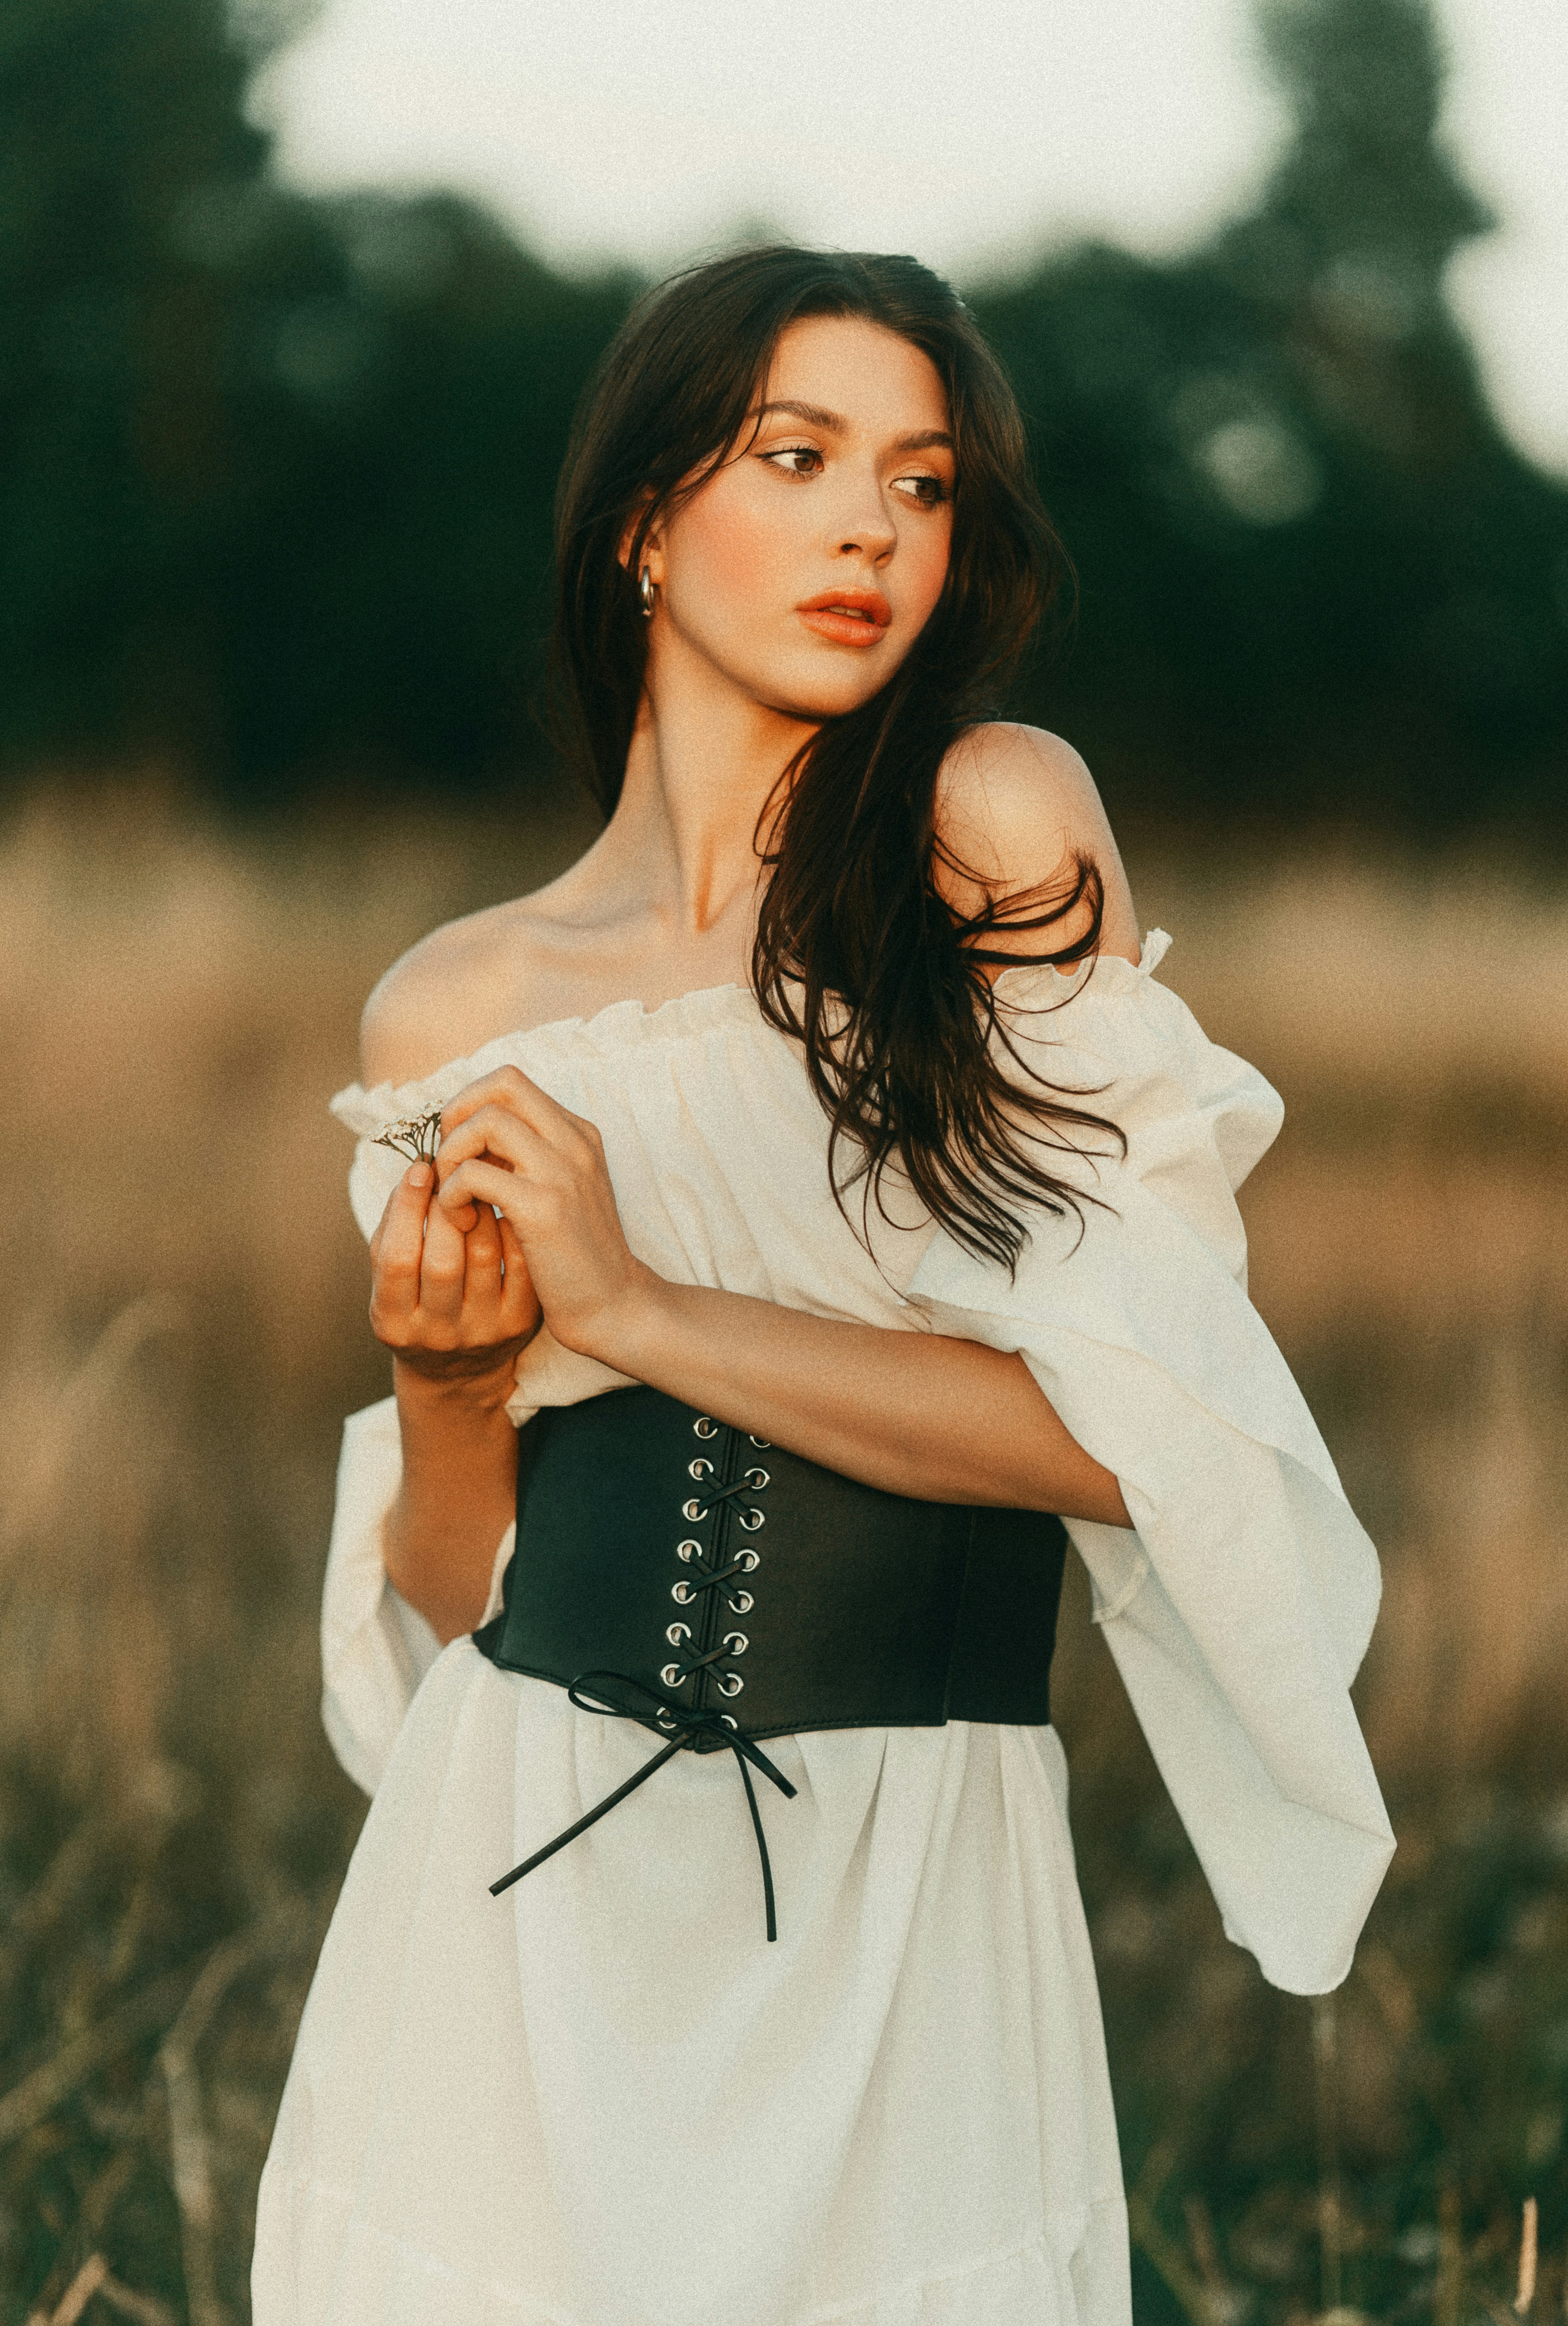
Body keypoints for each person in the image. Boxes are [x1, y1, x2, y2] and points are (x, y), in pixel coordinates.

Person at [252, 245, 1393, 2326]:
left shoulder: (988, 828)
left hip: (902, 1869)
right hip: (519, 1875)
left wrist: (636, 1306)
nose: (874, 522)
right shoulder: (455, 1006)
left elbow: (1137, 1453)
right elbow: (453, 1599)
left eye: (927, 480)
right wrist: (439, 1383)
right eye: (800, 456)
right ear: (644, 522)